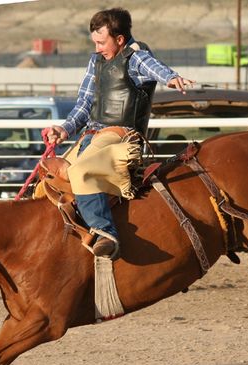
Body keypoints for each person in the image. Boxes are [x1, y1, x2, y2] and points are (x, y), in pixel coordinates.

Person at [45, 7, 194, 259]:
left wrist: (171, 78)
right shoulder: (96, 62)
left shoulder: (136, 58)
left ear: (120, 39)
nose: (97, 48)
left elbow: (154, 67)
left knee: (80, 171)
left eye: (102, 42)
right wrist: (63, 129)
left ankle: (105, 233)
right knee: (49, 174)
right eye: (94, 42)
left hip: (121, 137)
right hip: (90, 136)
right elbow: (83, 105)